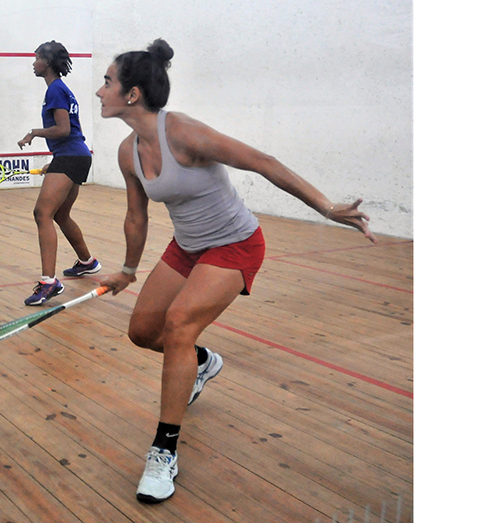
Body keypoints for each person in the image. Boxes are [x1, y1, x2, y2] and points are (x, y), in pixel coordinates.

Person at [96, 39, 378, 504]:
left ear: (132, 95)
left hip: (235, 245)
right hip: (186, 248)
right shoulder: (129, 152)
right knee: (143, 331)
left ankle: (164, 451)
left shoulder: (183, 132)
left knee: (179, 324)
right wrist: (127, 270)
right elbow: (136, 216)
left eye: (107, 81)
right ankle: (203, 363)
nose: (99, 90)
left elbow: (263, 163)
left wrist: (326, 207)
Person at [17, 41, 101, 306]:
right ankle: (88, 262)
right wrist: (55, 164)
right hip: (74, 156)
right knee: (61, 214)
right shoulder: (61, 89)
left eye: (37, 58)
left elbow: (63, 129)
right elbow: (70, 133)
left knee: (42, 214)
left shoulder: (55, 89)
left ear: (48, 63)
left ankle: (49, 283)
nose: (33, 63)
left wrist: (34, 133)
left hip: (70, 155)